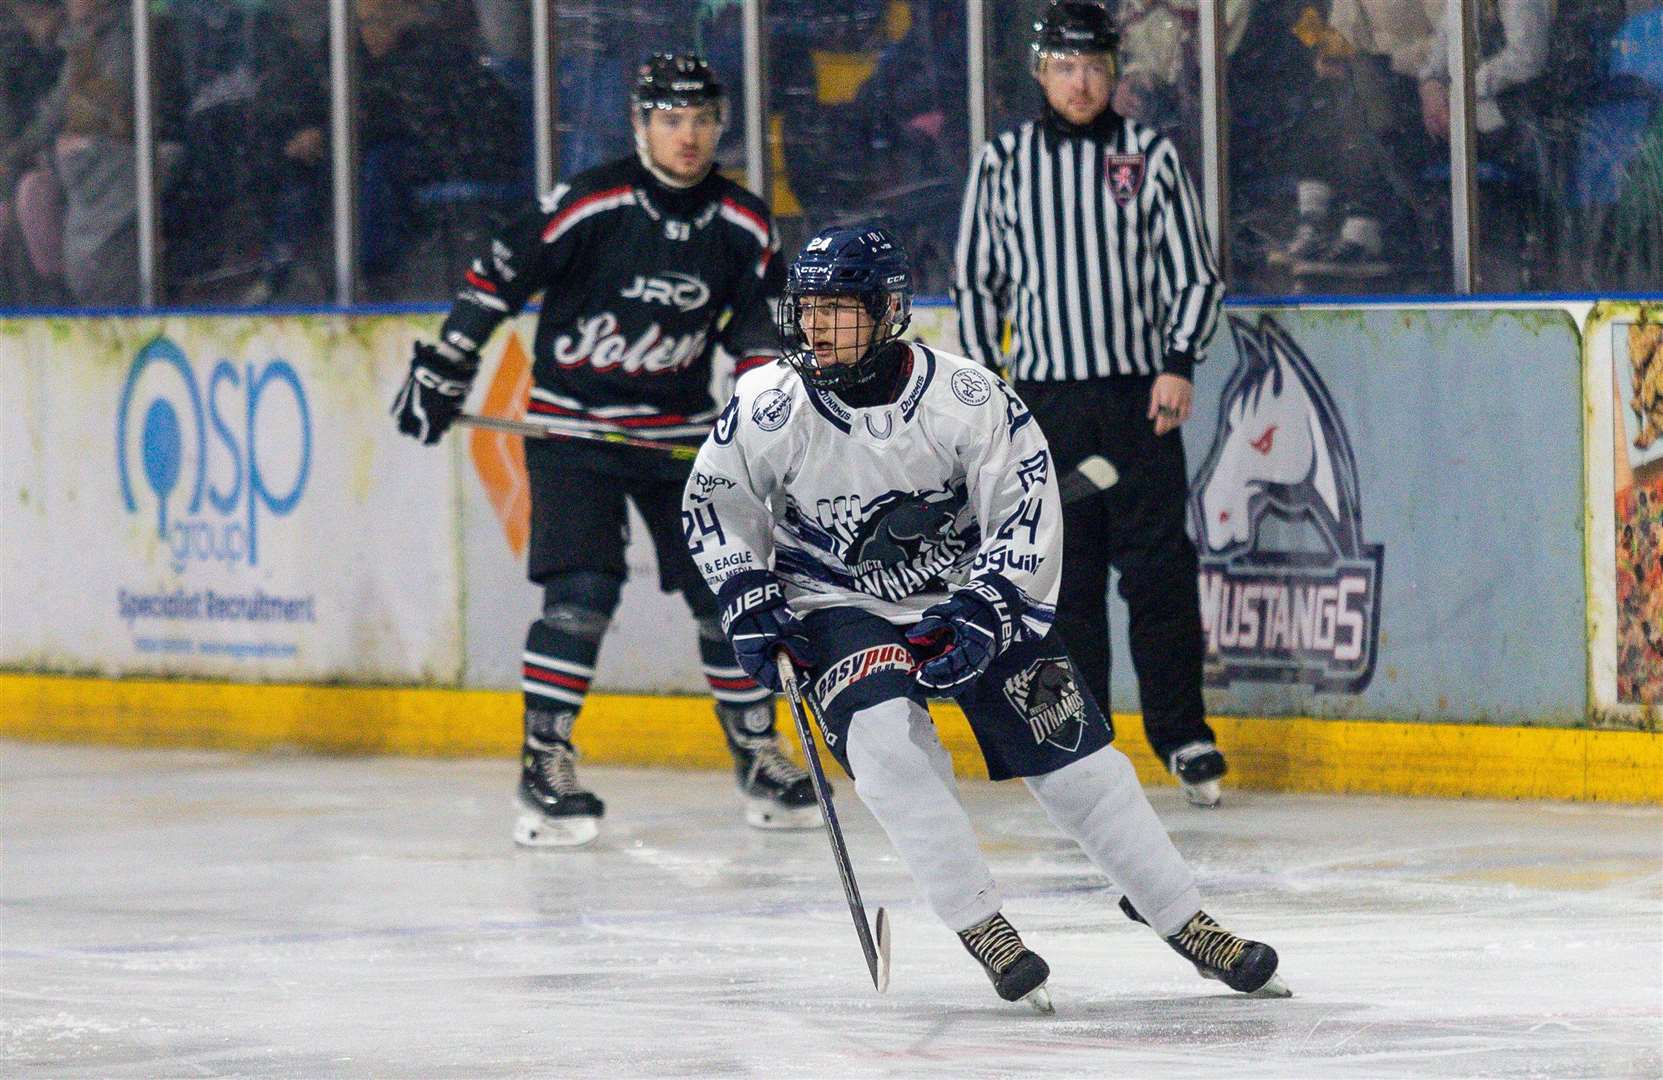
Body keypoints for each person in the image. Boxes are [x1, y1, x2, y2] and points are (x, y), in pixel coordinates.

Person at [684, 223, 1288, 1008]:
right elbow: (716, 506)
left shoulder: (967, 401)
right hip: (835, 601)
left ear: (888, 310)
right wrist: (746, 592)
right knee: (883, 744)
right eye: (808, 309)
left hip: (968, 592)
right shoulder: (768, 403)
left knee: (1080, 766)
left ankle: (1182, 917)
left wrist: (987, 609)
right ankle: (982, 925)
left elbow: (1025, 516)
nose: (817, 327)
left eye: (839, 308)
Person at [391, 53, 816, 848]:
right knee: (581, 595)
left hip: (681, 440)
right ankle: (543, 761)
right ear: (640, 125)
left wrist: (764, 420)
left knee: (730, 590)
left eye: (699, 120)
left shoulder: (743, 222)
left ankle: (756, 750)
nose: (686, 136)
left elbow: (761, 331)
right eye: (669, 120)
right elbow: (498, 275)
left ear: (718, 126)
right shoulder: (591, 203)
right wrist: (446, 363)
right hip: (574, 432)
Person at [953, 1, 1228, 806]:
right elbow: (976, 282)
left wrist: (1179, 363)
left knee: (1158, 573)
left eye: (1095, 67)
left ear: (1116, 72)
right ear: (1040, 72)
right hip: (1045, 410)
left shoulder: (1146, 154)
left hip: (1139, 402)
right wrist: (987, 393)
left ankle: (1182, 737)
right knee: (1061, 579)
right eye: (1065, 67)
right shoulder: (1003, 161)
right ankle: (1078, 742)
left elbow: (1194, 275)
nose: (1081, 82)